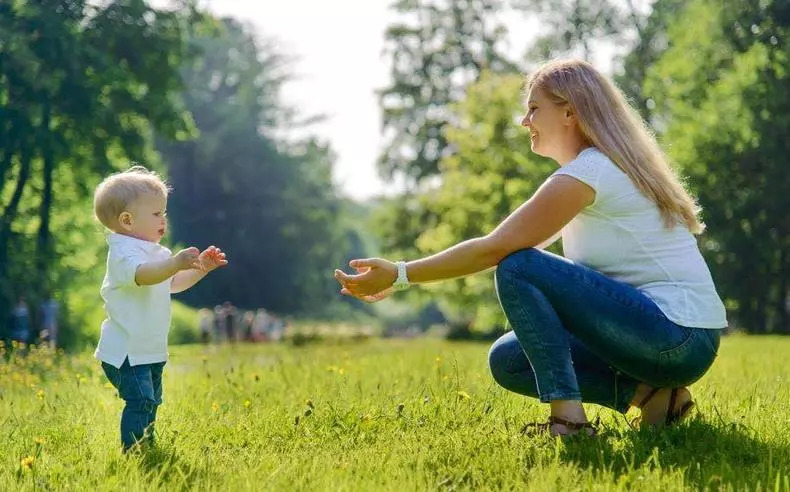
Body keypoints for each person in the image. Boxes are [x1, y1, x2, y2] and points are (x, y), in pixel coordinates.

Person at [334, 59, 727, 437]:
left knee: (517, 266)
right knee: (510, 360)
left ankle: (569, 423)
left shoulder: (589, 172)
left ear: (569, 113)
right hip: (680, 341)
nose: (525, 122)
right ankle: (654, 397)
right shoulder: (605, 167)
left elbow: (496, 250)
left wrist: (402, 274)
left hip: (675, 336)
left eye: (534, 109)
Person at [93, 166, 228, 451]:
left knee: (152, 400)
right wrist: (173, 264)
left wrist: (200, 268)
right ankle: (135, 451)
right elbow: (143, 275)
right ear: (127, 221)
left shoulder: (158, 253)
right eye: (156, 214)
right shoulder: (122, 253)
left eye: (163, 212)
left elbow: (173, 283)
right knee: (140, 400)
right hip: (127, 351)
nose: (163, 219)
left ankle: (146, 443)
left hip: (150, 348)